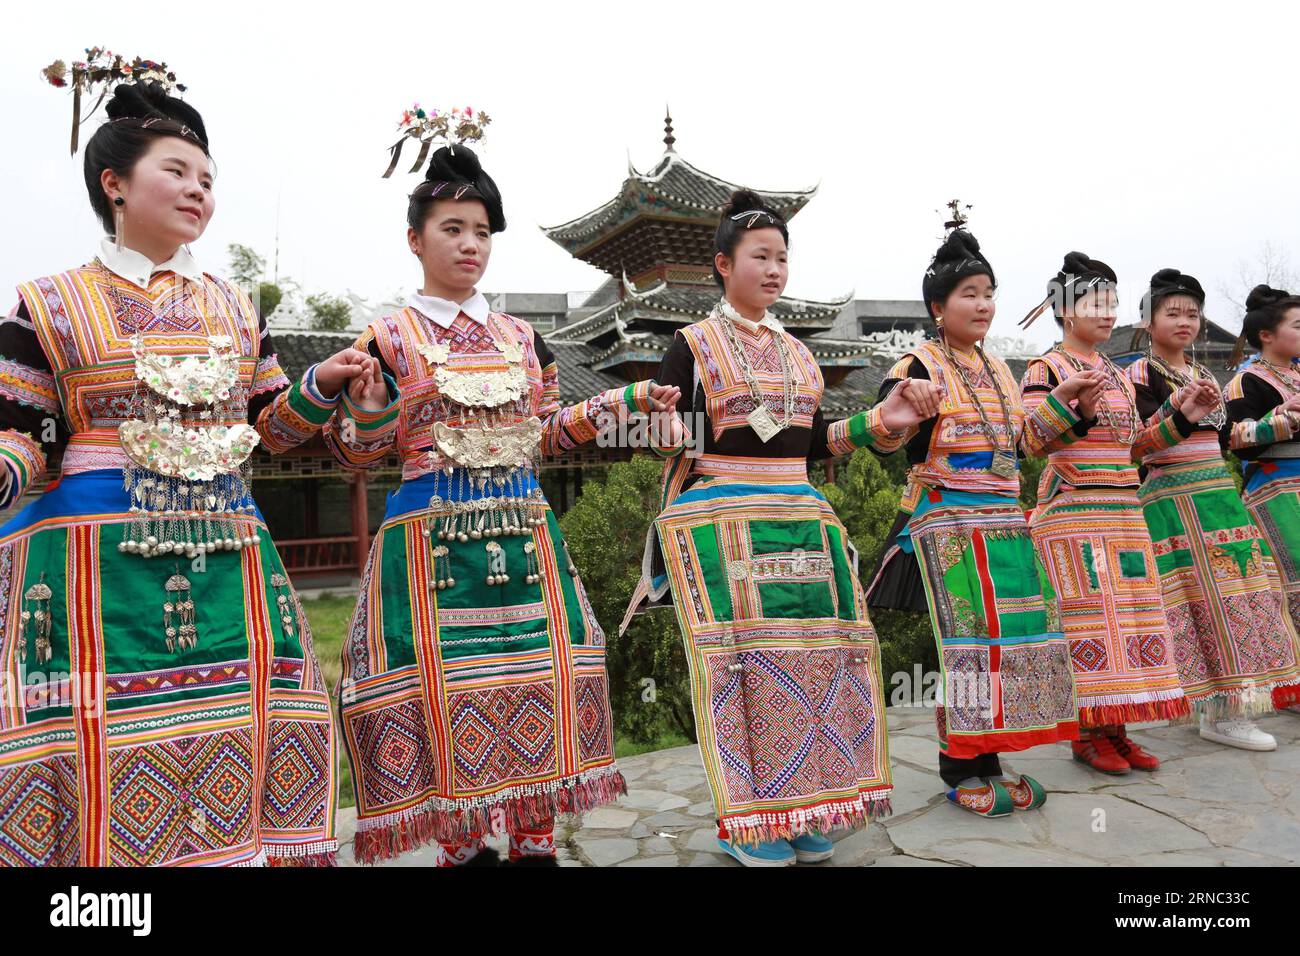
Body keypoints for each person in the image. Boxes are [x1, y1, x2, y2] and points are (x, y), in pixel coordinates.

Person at [0, 58, 369, 865]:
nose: (200, 188)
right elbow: (25, 431)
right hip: (94, 569)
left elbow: (271, 431)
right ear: (115, 184)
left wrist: (321, 383)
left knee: (245, 720)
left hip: (230, 560)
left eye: (208, 176)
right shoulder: (50, 302)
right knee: (96, 735)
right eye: (177, 170)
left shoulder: (238, 308)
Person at [326, 131, 680, 866]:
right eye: (452, 229)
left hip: (524, 539)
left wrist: (624, 401)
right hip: (428, 547)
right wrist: (365, 415)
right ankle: (463, 844)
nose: (470, 245)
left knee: (540, 678)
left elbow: (545, 436)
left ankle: (535, 840)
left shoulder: (524, 338)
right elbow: (354, 454)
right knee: (443, 691)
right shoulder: (385, 337)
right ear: (414, 239)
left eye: (481, 231)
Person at [621, 189, 892, 866]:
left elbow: (812, 444)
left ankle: (802, 806)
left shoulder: (800, 355)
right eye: (759, 256)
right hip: (724, 525)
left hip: (801, 522)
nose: (774, 269)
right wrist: (653, 417)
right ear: (722, 264)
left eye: (782, 258)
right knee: (738, 667)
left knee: (810, 660)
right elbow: (668, 441)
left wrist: (881, 426)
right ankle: (742, 820)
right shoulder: (691, 346)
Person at [865, 227, 1078, 817]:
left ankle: (993, 758)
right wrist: (899, 405)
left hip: (1007, 522)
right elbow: (885, 440)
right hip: (948, 523)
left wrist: (1067, 402)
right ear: (938, 307)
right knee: (965, 643)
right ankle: (959, 764)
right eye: (969, 294)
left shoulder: (1003, 370)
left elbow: (1027, 442)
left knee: (1011, 643)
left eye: (989, 292)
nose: (983, 304)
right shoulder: (916, 363)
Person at [1018, 252, 1193, 775]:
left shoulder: (1115, 374)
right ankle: (1088, 732)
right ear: (1066, 310)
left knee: (1131, 619)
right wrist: (1072, 408)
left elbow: (1133, 446)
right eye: (1097, 302)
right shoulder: (1044, 368)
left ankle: (1117, 727)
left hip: (1123, 510)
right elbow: (1027, 440)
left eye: (1113, 302)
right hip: (1073, 513)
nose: (1108, 312)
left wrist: (1183, 417)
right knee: (1090, 622)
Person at [1129, 271, 1300, 750]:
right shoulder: (1138, 376)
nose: (1185, 321)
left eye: (1192, 313)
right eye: (1172, 313)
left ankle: (1240, 704)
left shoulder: (1205, 374)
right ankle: (1219, 713)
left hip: (1217, 493)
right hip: (1173, 499)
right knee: (1200, 604)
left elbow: (1227, 440)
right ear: (1147, 322)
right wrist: (1177, 413)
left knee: (1244, 595)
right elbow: (1135, 444)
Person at [1224, 284, 1300, 720]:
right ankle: (1291, 682)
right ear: (1267, 334)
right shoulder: (1246, 380)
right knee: (1292, 586)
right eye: (1296, 324)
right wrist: (1284, 418)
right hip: (1276, 487)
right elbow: (1236, 440)